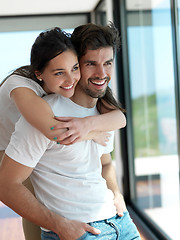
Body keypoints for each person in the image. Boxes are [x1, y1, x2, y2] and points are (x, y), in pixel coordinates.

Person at [0, 23, 140, 240]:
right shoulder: (38, 109)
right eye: (91, 64)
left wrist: (116, 194)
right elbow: (8, 185)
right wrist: (59, 226)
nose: (101, 73)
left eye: (108, 63)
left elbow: (105, 161)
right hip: (79, 229)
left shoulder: (102, 108)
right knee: (31, 208)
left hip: (120, 221)